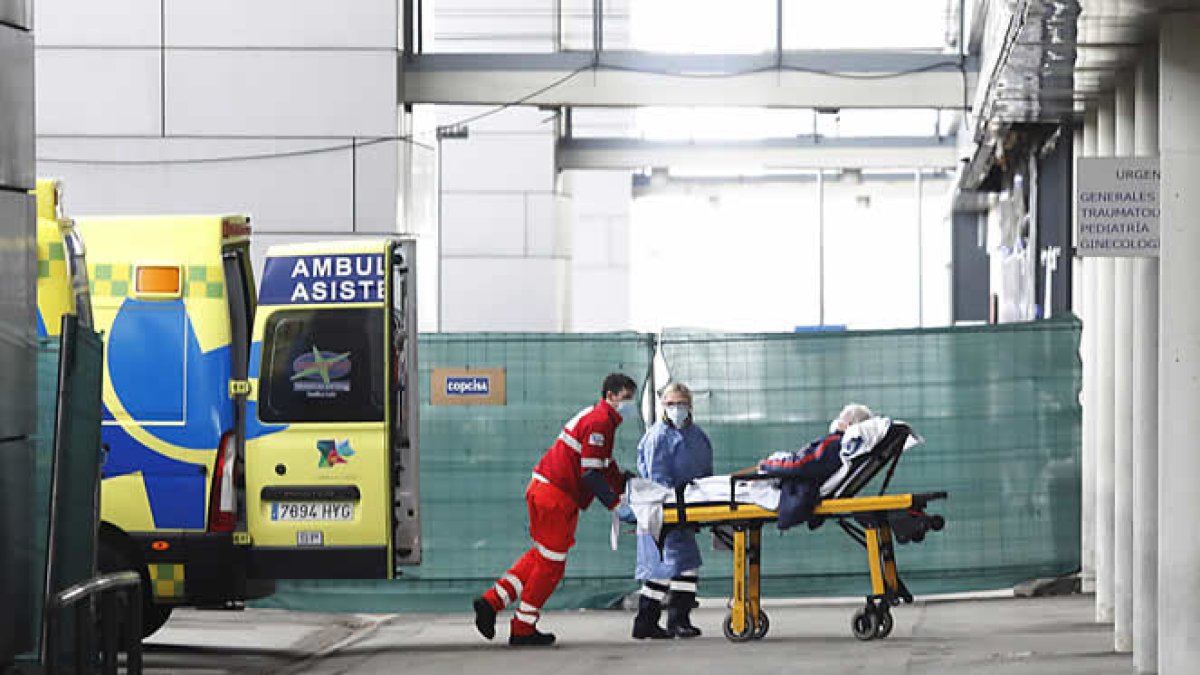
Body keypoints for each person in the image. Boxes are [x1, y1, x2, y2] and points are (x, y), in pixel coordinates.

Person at [473, 373, 639, 647]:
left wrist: (623, 482)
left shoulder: (598, 418)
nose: (629, 405)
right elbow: (590, 474)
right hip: (556, 498)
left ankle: (492, 602)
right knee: (551, 566)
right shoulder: (600, 422)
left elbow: (602, 464)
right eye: (626, 398)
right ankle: (523, 627)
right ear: (611, 395)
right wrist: (616, 503)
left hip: (545, 490)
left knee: (540, 557)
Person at [630, 382, 714, 640]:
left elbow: (705, 471)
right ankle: (669, 620)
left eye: (681, 403)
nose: (677, 408)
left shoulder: (697, 436)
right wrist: (676, 502)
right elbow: (657, 478)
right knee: (673, 565)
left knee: (682, 565)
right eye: (671, 403)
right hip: (663, 507)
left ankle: (656, 621)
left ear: (690, 406)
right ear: (663, 406)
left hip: (687, 507)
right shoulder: (658, 437)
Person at [758, 403, 873, 529]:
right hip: (797, 491)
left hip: (791, 493)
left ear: (849, 425)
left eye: (840, 418)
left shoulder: (834, 444)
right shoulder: (847, 448)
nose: (836, 421)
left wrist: (767, 465)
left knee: (735, 489)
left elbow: (800, 464)